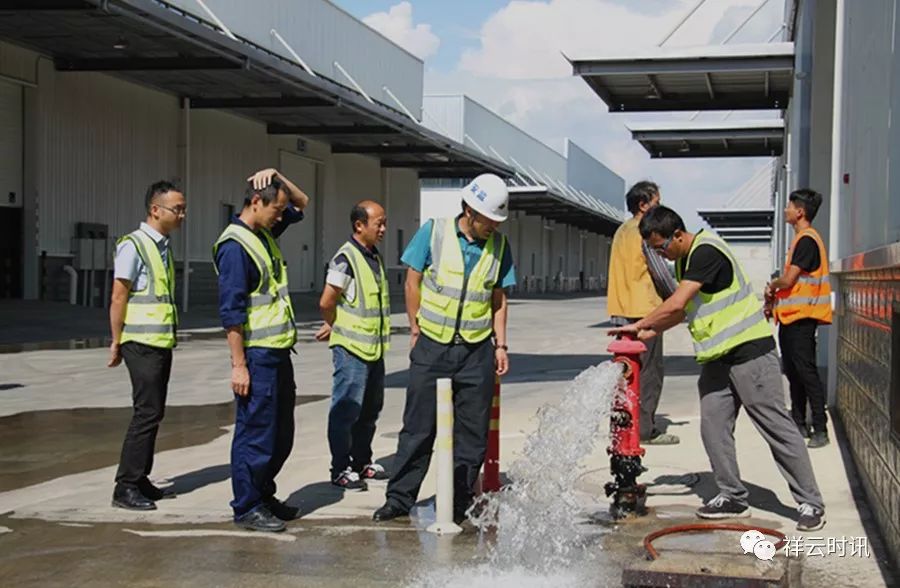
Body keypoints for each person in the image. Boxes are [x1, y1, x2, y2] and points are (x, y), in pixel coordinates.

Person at [610, 205, 826, 532]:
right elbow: (687, 311)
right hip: (717, 359)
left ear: (678, 235)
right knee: (713, 426)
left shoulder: (706, 251)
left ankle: (810, 502)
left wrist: (641, 321)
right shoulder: (685, 259)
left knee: (776, 428)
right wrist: (649, 331)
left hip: (750, 353)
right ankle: (732, 496)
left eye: (662, 247)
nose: (663, 256)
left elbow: (677, 303)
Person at [373, 173, 516, 524]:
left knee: (472, 434)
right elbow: (412, 279)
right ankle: (399, 498)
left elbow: (499, 298)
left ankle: (458, 502)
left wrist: (501, 345)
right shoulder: (434, 232)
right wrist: (414, 325)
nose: (493, 227)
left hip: (476, 351)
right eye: (489, 220)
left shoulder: (499, 247)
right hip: (432, 347)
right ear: (469, 208)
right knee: (418, 429)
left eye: (499, 221)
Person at [213, 168, 310, 533]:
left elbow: (303, 202)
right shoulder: (236, 247)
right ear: (256, 202)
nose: (282, 216)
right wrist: (239, 366)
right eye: (277, 209)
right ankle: (247, 505)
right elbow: (231, 314)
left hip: (279, 351)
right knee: (255, 433)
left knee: (280, 433)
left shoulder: (264, 232)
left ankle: (263, 493)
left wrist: (280, 175)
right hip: (256, 356)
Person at [108, 181, 185, 510]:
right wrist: (115, 341)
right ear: (155, 210)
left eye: (183, 209)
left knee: (154, 412)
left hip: (158, 341)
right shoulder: (135, 245)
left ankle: (140, 478)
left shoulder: (161, 246)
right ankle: (125, 486)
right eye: (176, 209)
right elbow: (118, 295)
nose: (182, 215)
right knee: (146, 412)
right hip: (139, 342)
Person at [315, 200, 391, 491]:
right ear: (359, 225)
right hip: (351, 350)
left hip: (373, 348)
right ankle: (340, 468)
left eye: (384, 223)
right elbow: (326, 301)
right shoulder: (344, 258)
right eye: (378, 224)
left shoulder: (374, 256)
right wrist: (335, 324)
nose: (383, 229)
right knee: (346, 410)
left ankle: (362, 461)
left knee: (370, 410)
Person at [607, 181, 679, 445]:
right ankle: (645, 429)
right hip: (644, 312)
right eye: (656, 202)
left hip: (620, 312)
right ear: (643, 205)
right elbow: (660, 271)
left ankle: (623, 424)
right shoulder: (646, 231)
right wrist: (678, 298)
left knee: (625, 373)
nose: (659, 207)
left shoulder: (621, 231)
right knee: (649, 373)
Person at [765, 189, 833, 448]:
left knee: (806, 372)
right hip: (792, 319)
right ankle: (798, 422)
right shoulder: (801, 240)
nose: (786, 210)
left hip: (802, 319)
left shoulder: (807, 240)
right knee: (794, 372)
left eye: (789, 206)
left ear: (800, 212)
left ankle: (820, 427)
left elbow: (790, 279)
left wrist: (772, 286)